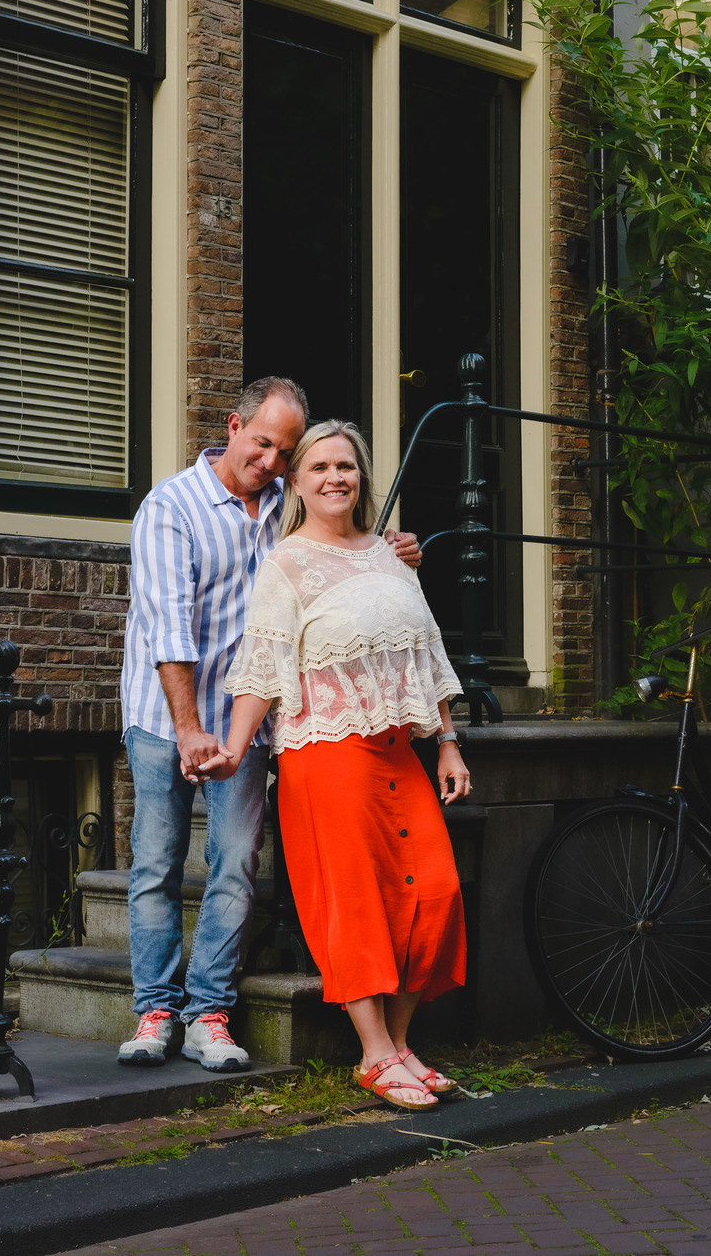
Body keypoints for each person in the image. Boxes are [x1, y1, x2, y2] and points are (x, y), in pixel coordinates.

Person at [117, 379, 421, 1070]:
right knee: (158, 864)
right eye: (263, 444)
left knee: (234, 867)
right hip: (166, 718)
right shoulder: (172, 507)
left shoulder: (290, 499)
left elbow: (339, 553)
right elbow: (169, 631)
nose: (272, 462)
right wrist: (191, 728)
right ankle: (155, 1010)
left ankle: (210, 1014)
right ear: (233, 426)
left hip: (247, 722)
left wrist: (393, 554)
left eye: (286, 451)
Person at [209, 419, 472, 1111]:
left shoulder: (389, 555)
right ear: (296, 481)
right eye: (320, 466)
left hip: (396, 751)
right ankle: (375, 1053)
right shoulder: (287, 563)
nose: (335, 478)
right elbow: (260, 666)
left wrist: (447, 740)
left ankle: (402, 1041)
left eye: (346, 466)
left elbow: (427, 653)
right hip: (325, 753)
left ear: (362, 477)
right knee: (352, 905)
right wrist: (234, 750)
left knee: (435, 893)